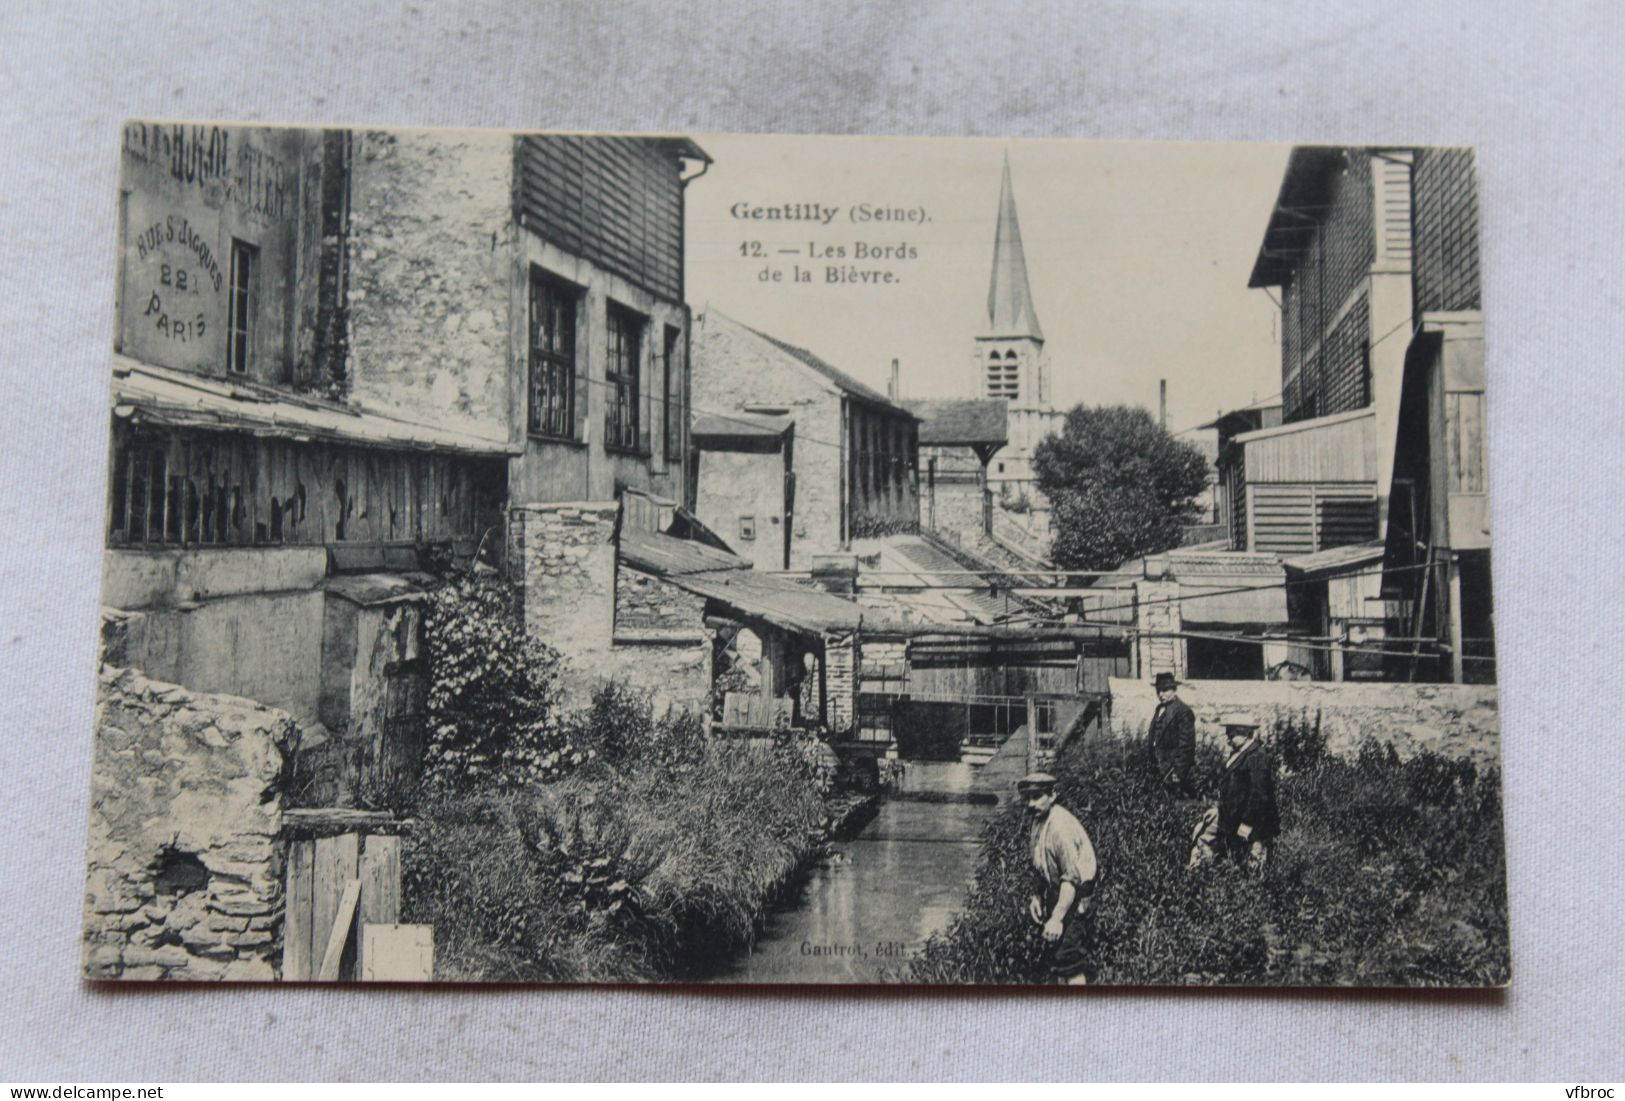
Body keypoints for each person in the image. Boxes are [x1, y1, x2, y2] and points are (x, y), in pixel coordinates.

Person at [1018, 771, 1099, 985]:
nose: (1031, 804)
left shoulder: (1060, 827)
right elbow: (1039, 862)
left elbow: (1071, 878)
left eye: (1037, 797)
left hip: (1078, 894)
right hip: (1058, 891)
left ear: (1052, 796)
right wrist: (1036, 895)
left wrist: (1056, 918)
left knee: (1068, 955)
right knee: (1054, 954)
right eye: (1027, 798)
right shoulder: (1038, 821)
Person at [1187, 714, 1280, 872]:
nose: (1229, 738)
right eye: (1228, 733)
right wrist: (1218, 809)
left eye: (1233, 733)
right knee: (1203, 836)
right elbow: (1231, 790)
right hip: (1232, 816)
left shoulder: (1258, 756)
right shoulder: (1237, 754)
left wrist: (1247, 823)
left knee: (1254, 861)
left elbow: (1259, 795)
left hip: (1255, 821)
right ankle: (1198, 875)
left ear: (1248, 734)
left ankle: (1253, 888)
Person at [1147, 671, 1196, 798]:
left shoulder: (1183, 711)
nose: (1161, 694)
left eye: (1165, 690)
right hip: (1158, 767)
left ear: (1174, 690)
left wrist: (1178, 772)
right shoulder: (1159, 709)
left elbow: (1187, 745)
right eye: (1158, 691)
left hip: (1173, 770)